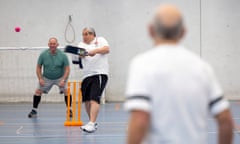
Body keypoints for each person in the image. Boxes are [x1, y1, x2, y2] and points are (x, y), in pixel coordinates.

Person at [124, 4, 233, 144]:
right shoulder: (202, 67)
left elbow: (140, 119)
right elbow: (225, 120)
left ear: (151, 30)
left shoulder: (142, 65)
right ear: (183, 32)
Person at [72, 27, 109, 133]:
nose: (84, 36)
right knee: (87, 101)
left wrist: (95, 51)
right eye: (83, 34)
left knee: (94, 98)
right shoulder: (81, 45)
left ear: (93, 34)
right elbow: (79, 56)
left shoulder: (100, 40)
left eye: (87, 34)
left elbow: (106, 49)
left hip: (99, 74)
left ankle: (92, 123)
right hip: (86, 76)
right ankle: (92, 122)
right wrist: (82, 53)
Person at [28, 37, 71, 118]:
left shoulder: (63, 55)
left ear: (57, 45)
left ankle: (69, 110)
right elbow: (38, 68)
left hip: (60, 77)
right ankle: (34, 110)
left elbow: (67, 69)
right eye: (51, 44)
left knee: (67, 91)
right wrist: (40, 78)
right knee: (38, 91)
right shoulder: (43, 55)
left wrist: (64, 79)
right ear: (48, 44)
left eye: (54, 44)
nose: (52, 45)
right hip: (46, 78)